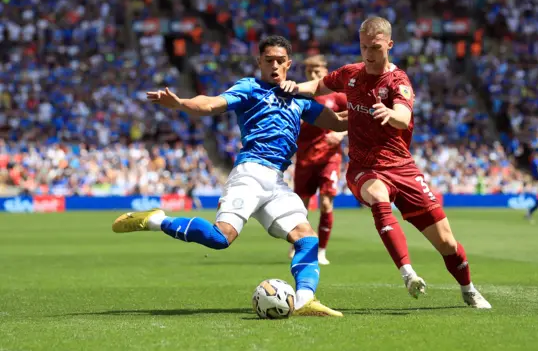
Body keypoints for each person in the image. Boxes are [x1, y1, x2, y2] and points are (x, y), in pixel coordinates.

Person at [112, 35, 345, 317]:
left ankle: (305, 298)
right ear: (258, 61)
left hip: (277, 182)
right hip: (250, 173)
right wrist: (182, 104)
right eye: (268, 60)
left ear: (289, 64)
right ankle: (157, 220)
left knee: (306, 238)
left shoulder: (298, 99)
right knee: (220, 238)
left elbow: (339, 120)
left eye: (280, 61)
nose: (274, 66)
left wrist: (373, 109)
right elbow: (211, 104)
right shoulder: (250, 88)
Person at [281, 17, 491, 309]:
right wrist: (293, 87)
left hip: (402, 167)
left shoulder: (398, 81)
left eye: (375, 47)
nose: (368, 53)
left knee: (447, 244)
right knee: (378, 196)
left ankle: (468, 288)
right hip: (364, 168)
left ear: (389, 45)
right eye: (364, 46)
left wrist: (390, 114)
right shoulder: (350, 74)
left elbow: (403, 116)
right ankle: (408, 273)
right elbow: (319, 85)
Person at [289, 55, 347, 265]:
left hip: (329, 158)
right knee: (300, 206)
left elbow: (357, 116)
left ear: (325, 71)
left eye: (317, 71)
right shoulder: (300, 96)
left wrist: (340, 134)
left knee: (325, 203)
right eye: (309, 71)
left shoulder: (337, 97)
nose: (313, 75)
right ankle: (299, 244)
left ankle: (321, 250)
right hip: (305, 159)